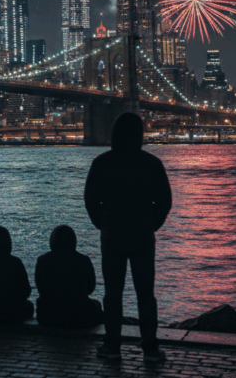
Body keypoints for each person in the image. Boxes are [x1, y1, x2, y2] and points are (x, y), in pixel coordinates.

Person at [84, 112, 172, 365]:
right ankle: (151, 349)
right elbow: (165, 201)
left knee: (113, 292)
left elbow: (90, 200)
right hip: (143, 233)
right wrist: (152, 224)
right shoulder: (152, 163)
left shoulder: (102, 162)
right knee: (146, 293)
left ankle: (112, 345)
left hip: (112, 234)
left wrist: (103, 223)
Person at [35, 225, 103, 328]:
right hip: (79, 315)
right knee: (96, 304)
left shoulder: (42, 260)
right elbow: (90, 289)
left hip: (48, 316)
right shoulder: (84, 260)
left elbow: (40, 288)